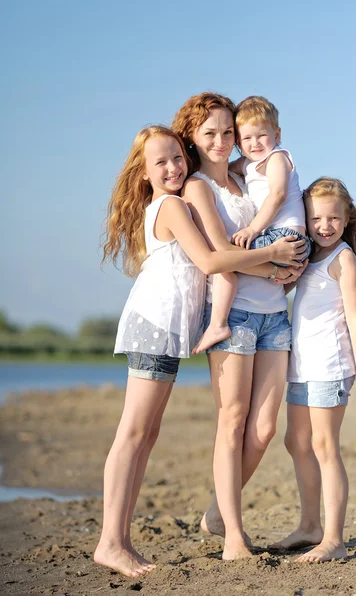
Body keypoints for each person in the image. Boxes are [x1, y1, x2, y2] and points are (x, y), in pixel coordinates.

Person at [94, 125, 303, 577]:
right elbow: (211, 260)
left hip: (167, 328)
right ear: (144, 174)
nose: (172, 168)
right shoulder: (170, 205)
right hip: (154, 323)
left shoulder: (173, 201)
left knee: (144, 437)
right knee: (133, 435)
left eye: (176, 158)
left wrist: (273, 266)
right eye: (160, 163)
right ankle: (111, 541)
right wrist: (276, 262)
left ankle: (119, 540)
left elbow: (217, 256)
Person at [172, 93, 308, 560]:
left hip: (275, 313)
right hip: (233, 317)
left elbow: (287, 220)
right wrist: (273, 261)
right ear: (193, 137)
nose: (221, 140)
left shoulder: (245, 174)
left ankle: (215, 512)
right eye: (209, 132)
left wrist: (291, 273)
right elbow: (218, 258)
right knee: (232, 422)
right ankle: (233, 534)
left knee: (265, 428)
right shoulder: (196, 188)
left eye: (227, 131)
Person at [271, 177, 356, 562]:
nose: (325, 225)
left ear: (347, 216)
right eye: (316, 217)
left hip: (331, 366)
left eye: (334, 217)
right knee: (295, 442)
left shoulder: (342, 259)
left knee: (323, 446)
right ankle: (309, 525)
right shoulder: (309, 255)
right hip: (302, 366)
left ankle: (334, 539)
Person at [193, 96, 311, 354]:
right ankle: (220, 321)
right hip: (277, 245)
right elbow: (229, 166)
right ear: (239, 142)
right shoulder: (248, 164)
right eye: (246, 138)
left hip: (284, 235)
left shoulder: (277, 158)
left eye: (262, 136)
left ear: (277, 134)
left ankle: (217, 323)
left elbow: (278, 195)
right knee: (227, 258)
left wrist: (252, 230)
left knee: (227, 258)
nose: (255, 143)